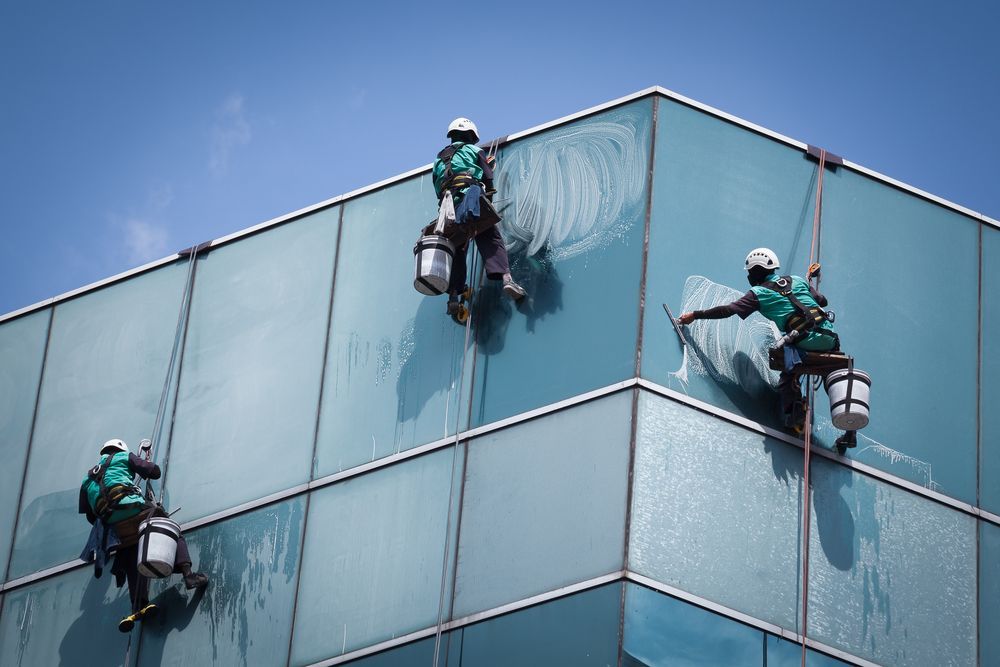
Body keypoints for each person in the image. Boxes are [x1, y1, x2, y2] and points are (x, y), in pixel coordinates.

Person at [678, 248, 854, 447]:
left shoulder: (758, 293)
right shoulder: (797, 280)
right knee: (834, 378)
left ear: (756, 272)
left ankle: (793, 417)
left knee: (787, 376)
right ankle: (850, 433)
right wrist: (806, 286)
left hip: (804, 340)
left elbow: (728, 310)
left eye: (750, 272)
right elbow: (822, 301)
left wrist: (695, 315)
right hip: (830, 339)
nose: (748, 276)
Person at [79, 438, 208, 630]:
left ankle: (138, 603)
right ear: (120, 449)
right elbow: (154, 472)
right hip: (132, 509)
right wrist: (142, 464)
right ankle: (189, 575)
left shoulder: (87, 478)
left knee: (131, 554)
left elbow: (90, 515)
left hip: (111, 526)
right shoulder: (123, 457)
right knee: (169, 528)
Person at [432, 117, 525, 321]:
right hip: (470, 200)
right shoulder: (475, 151)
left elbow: (438, 187)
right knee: (490, 237)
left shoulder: (438, 160)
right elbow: (488, 179)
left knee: (457, 249)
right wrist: (487, 184)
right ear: (471, 136)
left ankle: (454, 298)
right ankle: (507, 279)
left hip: (448, 209)